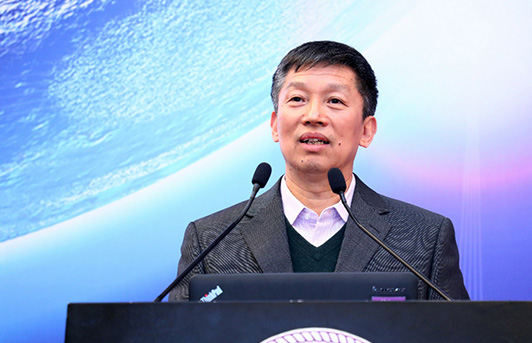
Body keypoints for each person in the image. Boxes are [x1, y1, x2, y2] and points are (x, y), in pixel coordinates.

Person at [169, 41, 469, 301]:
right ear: (275, 125)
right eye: (297, 99)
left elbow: (456, 341)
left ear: (366, 131)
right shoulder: (210, 239)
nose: (313, 116)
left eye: (334, 101)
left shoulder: (425, 236)